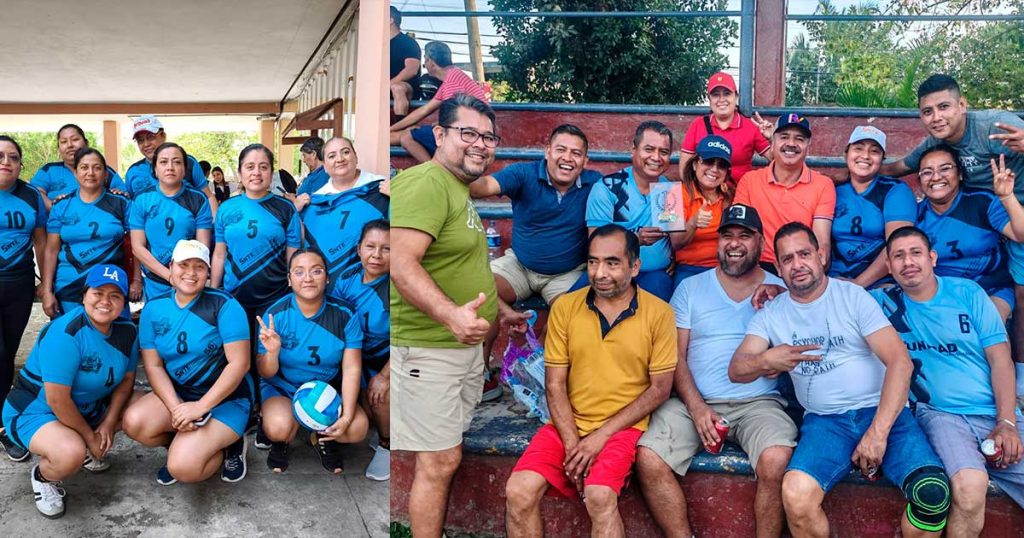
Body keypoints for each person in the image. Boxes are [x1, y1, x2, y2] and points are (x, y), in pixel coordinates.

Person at [729, 222, 951, 538]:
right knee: (795, 493)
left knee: (932, 494)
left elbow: (900, 362)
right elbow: (737, 369)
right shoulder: (771, 313)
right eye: (788, 259)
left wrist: (878, 433)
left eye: (804, 254)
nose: (797, 264)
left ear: (821, 255)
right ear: (777, 267)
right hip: (825, 424)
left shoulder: (852, 297)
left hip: (883, 412)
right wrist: (768, 358)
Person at [504, 224, 676, 537]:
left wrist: (599, 438)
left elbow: (660, 389)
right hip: (569, 423)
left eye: (612, 262)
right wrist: (573, 445)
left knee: (599, 495)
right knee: (519, 490)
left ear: (634, 267)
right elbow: (554, 384)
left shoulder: (659, 313)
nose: (599, 273)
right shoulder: (566, 307)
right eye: (593, 262)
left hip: (623, 427)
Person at [636, 204, 796, 537]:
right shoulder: (691, 288)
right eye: (727, 235)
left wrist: (786, 297)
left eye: (745, 236)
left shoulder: (780, 288)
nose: (735, 244)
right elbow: (675, 356)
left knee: (777, 459)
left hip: (759, 403)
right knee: (649, 458)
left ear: (761, 242)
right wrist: (697, 409)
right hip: (693, 400)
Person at [390, 94, 499, 537]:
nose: (480, 144)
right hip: (428, 349)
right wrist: (450, 314)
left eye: (488, 137)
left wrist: (499, 306)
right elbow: (400, 263)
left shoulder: (456, 187)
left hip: (456, 348)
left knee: (445, 455)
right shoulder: (427, 183)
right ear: (439, 134)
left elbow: (451, 260)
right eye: (468, 133)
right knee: (438, 461)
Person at [873, 226, 1024, 536]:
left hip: (994, 410)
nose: (908, 262)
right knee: (969, 487)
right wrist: (777, 290)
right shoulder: (879, 302)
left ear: (933, 258)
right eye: (898, 256)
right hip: (940, 414)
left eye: (916, 253)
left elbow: (1000, 360)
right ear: (888, 266)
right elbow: (824, 295)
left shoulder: (968, 293)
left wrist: (1006, 421)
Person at [882, 73, 1024, 388]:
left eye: (944, 107)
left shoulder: (995, 126)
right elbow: (901, 165)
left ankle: (1017, 380)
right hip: (994, 217)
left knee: (1016, 298)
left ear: (963, 105)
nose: (936, 117)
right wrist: (859, 167)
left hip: (1011, 208)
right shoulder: (936, 145)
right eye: (927, 111)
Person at [468, 123, 602, 399]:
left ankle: (540, 373)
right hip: (520, 264)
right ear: (547, 151)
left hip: (567, 271)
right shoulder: (524, 173)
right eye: (561, 150)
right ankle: (481, 373)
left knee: (573, 312)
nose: (567, 158)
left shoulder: (595, 183)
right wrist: (476, 160)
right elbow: (482, 187)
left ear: (585, 161)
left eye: (576, 153)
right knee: (478, 290)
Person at [2, 264, 138, 518]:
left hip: (88, 406)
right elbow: (57, 399)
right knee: (69, 454)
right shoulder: (66, 331)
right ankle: (43, 478)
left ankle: (81, 441)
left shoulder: (127, 331)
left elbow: (127, 381)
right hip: (36, 410)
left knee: (144, 411)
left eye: (115, 295)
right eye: (98, 292)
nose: (105, 302)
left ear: (123, 302)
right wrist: (90, 438)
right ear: (84, 295)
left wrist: (108, 423)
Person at [122, 240, 253, 485]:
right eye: (184, 265)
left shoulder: (224, 305)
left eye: (199, 267)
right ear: (171, 267)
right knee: (134, 422)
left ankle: (229, 445)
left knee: (183, 468)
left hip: (227, 399)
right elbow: (154, 366)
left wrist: (200, 407)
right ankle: (184, 445)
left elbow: (239, 364)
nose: (191, 273)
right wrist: (176, 408)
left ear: (208, 272)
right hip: (182, 394)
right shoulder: (154, 308)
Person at [255, 248, 368, 474]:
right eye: (299, 272)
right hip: (284, 387)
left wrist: (345, 417)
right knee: (278, 427)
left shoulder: (344, 314)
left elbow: (352, 368)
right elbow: (266, 373)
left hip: (326, 389)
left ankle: (322, 438)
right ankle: (281, 438)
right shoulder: (275, 315)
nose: (307, 278)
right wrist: (272, 352)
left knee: (356, 429)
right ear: (289, 280)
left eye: (316, 271)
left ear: (327, 277)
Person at [914, 144, 1024, 322]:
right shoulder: (914, 215)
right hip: (940, 292)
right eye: (927, 172)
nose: (936, 177)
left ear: (960, 174)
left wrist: (1006, 196)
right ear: (919, 180)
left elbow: (1021, 235)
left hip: (990, 287)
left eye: (945, 168)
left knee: (987, 323)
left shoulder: (982, 201)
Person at [575, 120, 674, 301]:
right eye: (649, 149)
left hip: (654, 275)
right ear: (633, 150)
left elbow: (676, 237)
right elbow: (596, 242)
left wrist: (678, 258)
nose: (656, 157)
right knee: (566, 309)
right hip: (609, 273)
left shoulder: (669, 189)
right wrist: (636, 240)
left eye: (664, 152)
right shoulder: (608, 187)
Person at [212, 144, 302, 338]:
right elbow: (219, 254)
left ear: (271, 173)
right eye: (250, 167)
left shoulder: (286, 208)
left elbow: (293, 258)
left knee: (269, 357)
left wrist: (293, 293)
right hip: (233, 296)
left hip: (275, 297)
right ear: (240, 173)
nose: (257, 173)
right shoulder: (226, 208)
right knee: (239, 358)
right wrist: (213, 291)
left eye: (263, 167)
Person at [40, 148, 136, 318]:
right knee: (72, 340)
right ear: (75, 173)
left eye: (97, 168)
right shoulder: (61, 205)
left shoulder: (121, 203)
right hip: (69, 286)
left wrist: (137, 280)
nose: (90, 173)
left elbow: (136, 246)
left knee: (115, 339)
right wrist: (47, 290)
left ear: (106, 174)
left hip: (110, 285)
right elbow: (51, 250)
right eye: (84, 167)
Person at [734, 113, 836, 269]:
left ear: (808, 147)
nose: (791, 143)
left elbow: (821, 241)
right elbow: (741, 235)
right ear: (772, 143)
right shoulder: (749, 181)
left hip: (800, 266)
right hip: (757, 267)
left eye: (799, 139)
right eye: (784, 137)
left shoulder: (823, 184)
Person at [331, 220, 391, 481]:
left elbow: (406, 340)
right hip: (359, 359)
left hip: (392, 360)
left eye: (387, 249)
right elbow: (339, 324)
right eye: (370, 246)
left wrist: (385, 376)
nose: (376, 255)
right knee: (355, 416)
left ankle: (389, 445)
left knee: (381, 394)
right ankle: (378, 427)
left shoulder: (397, 286)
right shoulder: (346, 278)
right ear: (358, 249)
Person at [0, 135, 48, 463]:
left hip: (18, 286)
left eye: (13, 157)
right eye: (0, 156)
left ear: (20, 165)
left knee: (8, 352)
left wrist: (46, 284)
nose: (6, 161)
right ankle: (6, 428)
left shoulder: (31, 197)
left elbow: (42, 244)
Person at [295, 137, 389, 294]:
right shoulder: (314, 202)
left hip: (375, 289)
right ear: (324, 166)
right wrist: (293, 212)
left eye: (345, 152)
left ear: (355, 156)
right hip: (333, 292)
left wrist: (399, 198)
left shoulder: (381, 188)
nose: (339, 159)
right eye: (331, 156)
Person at [831, 126, 916, 288]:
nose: (865, 156)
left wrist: (857, 284)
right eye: (858, 148)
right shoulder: (833, 189)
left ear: (882, 159)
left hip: (881, 280)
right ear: (846, 154)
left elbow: (898, 244)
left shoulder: (895, 190)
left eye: (874, 151)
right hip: (835, 278)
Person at [128, 143, 214, 301]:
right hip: (155, 283)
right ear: (155, 169)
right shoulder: (141, 199)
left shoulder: (198, 199)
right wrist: (169, 276)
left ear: (184, 168)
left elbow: (202, 248)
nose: (170, 167)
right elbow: (138, 247)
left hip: (189, 281)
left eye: (177, 162)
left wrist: (183, 277)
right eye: (163, 162)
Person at [390, 41, 488, 163]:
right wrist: (392, 128)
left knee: (406, 137)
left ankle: (436, 172)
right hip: (466, 130)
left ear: (431, 62)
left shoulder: (452, 82)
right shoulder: (452, 77)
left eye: (425, 60)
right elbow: (424, 110)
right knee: (401, 135)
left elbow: (452, 119)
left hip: (469, 133)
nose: (425, 64)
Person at [677, 72, 773, 185]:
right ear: (709, 99)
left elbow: (777, 161)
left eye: (727, 94)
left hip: (739, 196)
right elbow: (684, 170)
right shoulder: (698, 124)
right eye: (716, 95)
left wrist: (773, 138)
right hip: (707, 197)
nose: (721, 99)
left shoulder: (750, 127)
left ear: (736, 97)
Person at [669, 135, 736, 289]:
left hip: (727, 268)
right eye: (708, 161)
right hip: (690, 268)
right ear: (694, 164)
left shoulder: (731, 195)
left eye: (721, 165)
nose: (714, 169)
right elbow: (676, 243)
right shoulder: (675, 193)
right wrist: (693, 223)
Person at [124, 115, 217, 211]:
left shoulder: (188, 162)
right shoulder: (133, 172)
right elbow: (129, 205)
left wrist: (215, 224)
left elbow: (208, 196)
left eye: (150, 137)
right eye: (140, 140)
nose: (146, 144)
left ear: (163, 136)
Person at [30, 124, 125, 208]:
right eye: (63, 142)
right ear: (59, 148)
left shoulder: (102, 170)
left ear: (86, 143)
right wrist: (54, 208)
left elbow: (122, 194)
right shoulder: (49, 170)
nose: (70, 145)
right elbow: (34, 194)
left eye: (75, 139)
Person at [390, 5, 422, 117]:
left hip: (408, 88)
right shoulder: (380, 44)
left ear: (391, 20)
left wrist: (389, 84)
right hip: (385, 89)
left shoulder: (408, 43)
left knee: (397, 87)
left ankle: (399, 126)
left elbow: (411, 70)